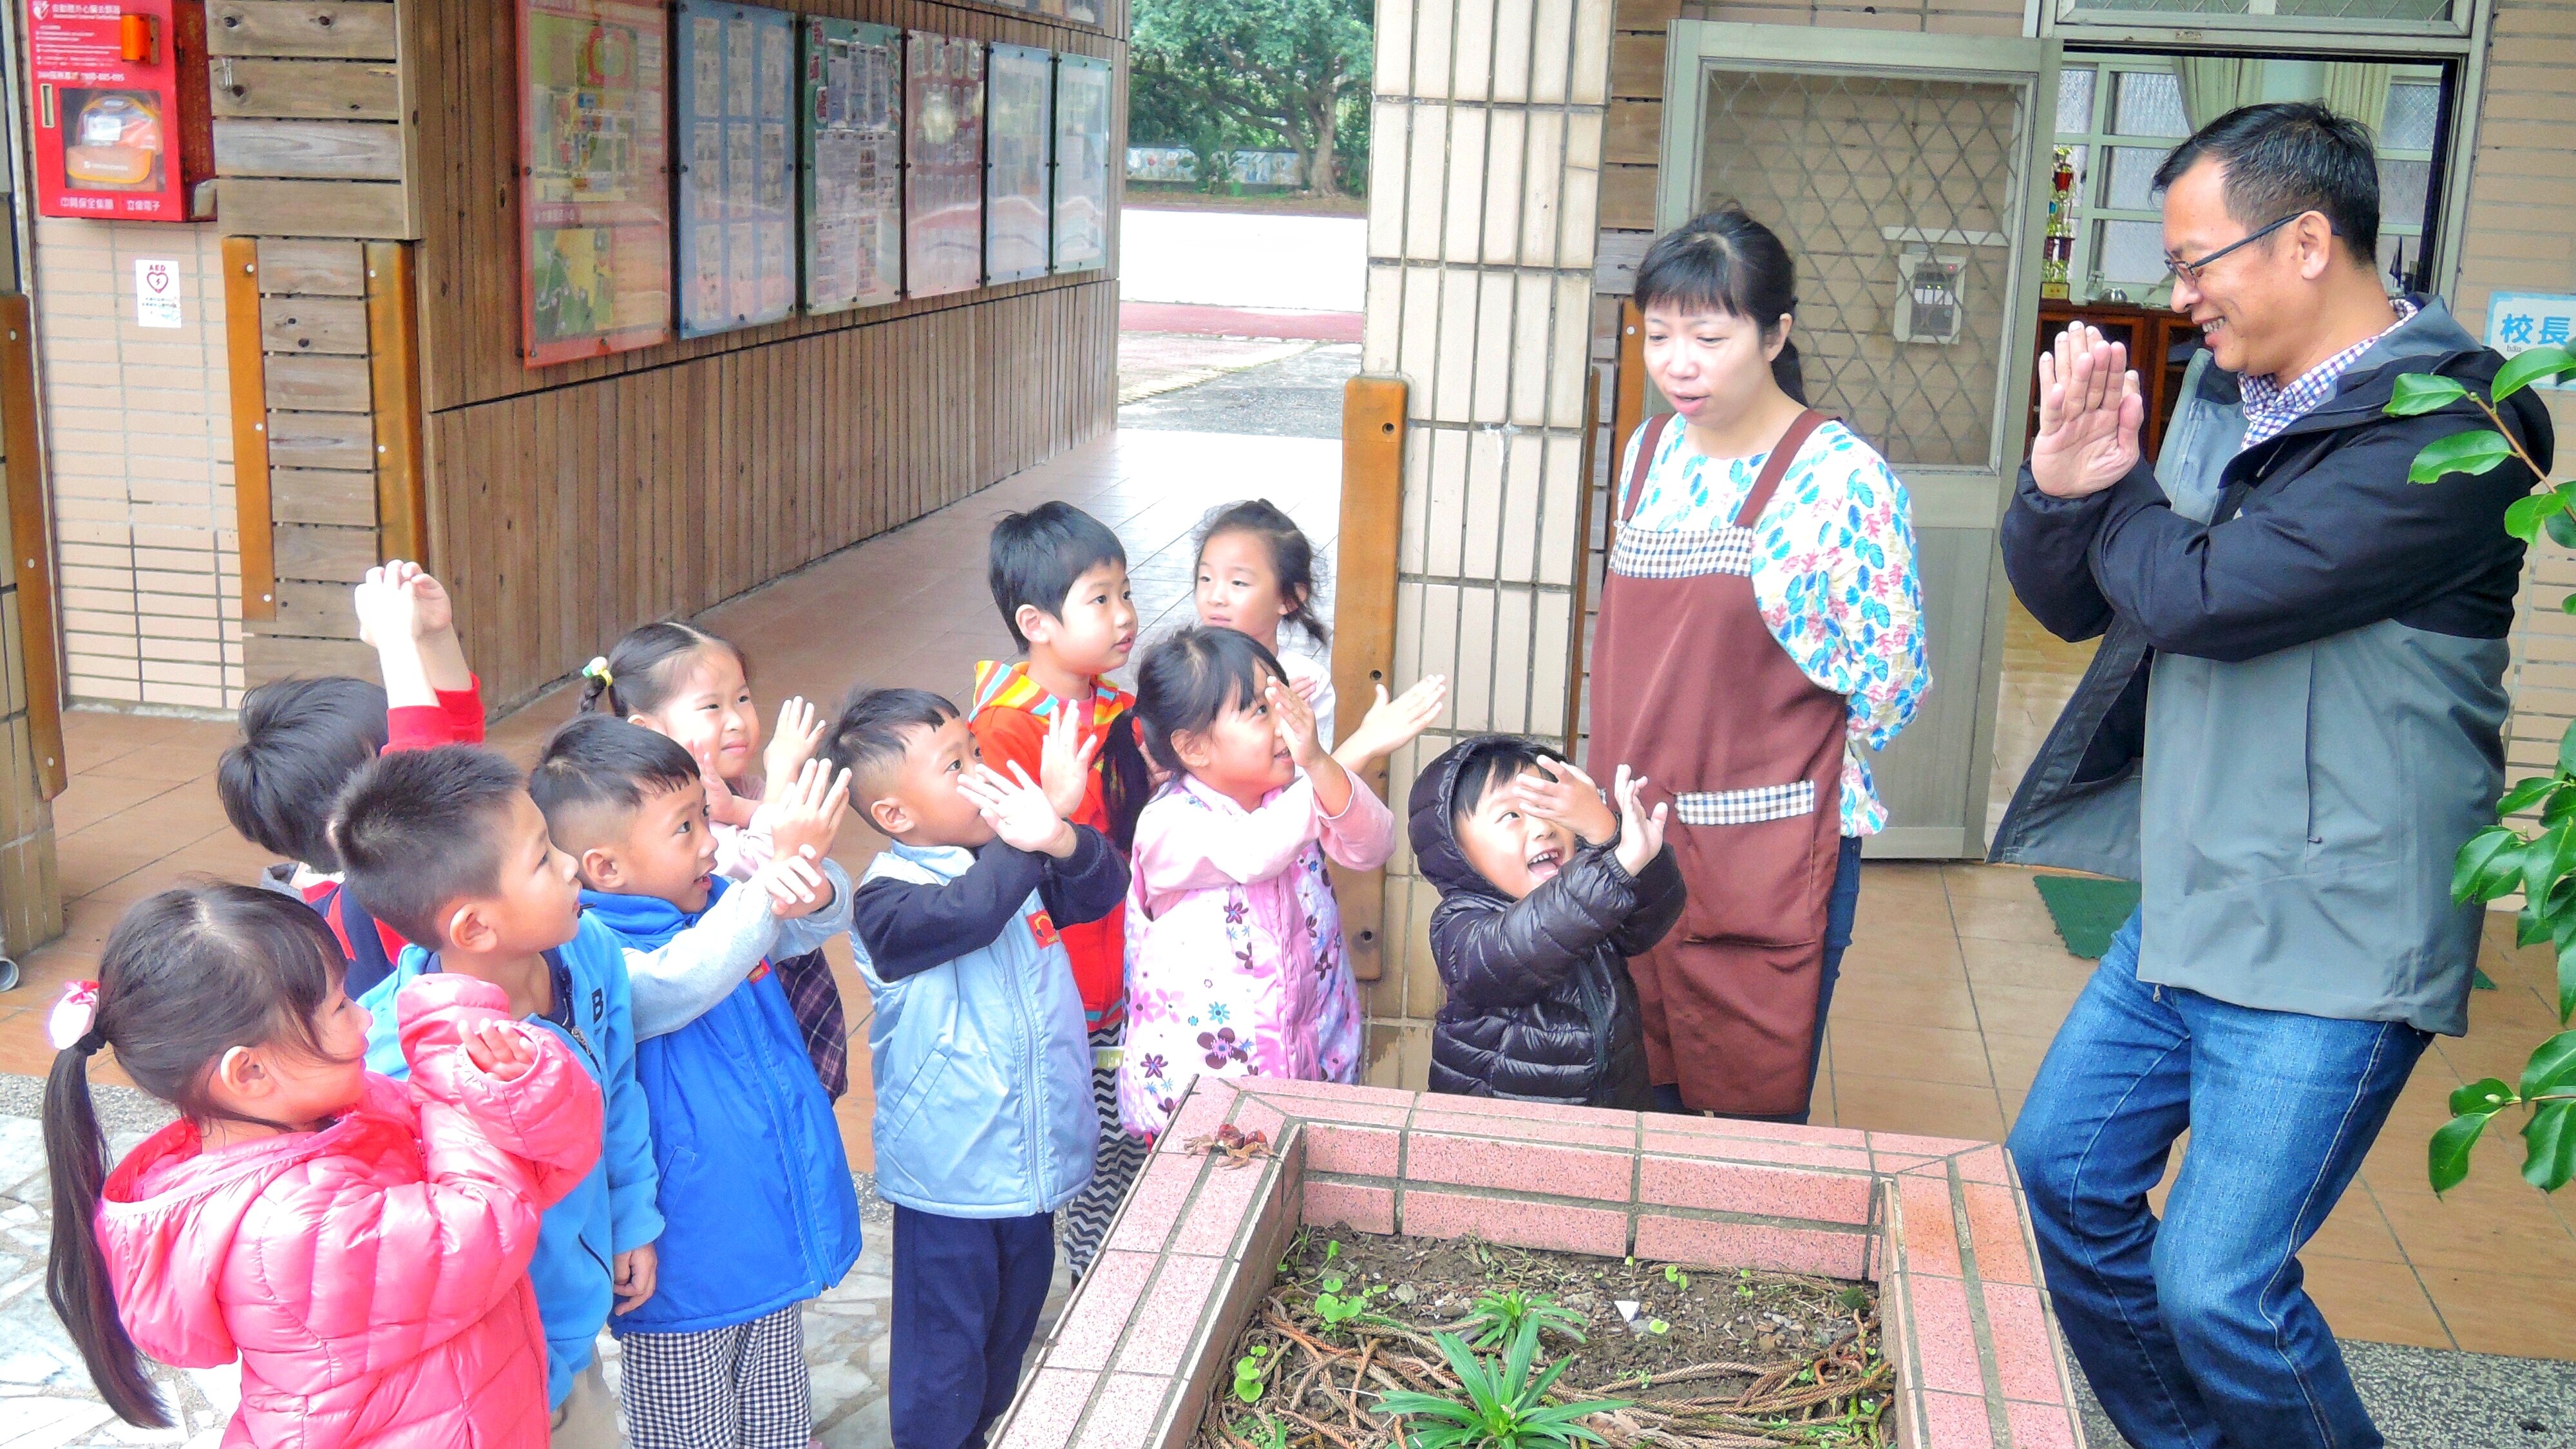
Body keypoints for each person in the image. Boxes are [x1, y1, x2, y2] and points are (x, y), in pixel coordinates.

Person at [1993, 102, 2553, 1449]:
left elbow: (2204, 597)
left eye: (2197, 263)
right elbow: (2083, 604)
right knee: (2059, 1181)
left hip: (2337, 937)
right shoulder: (2230, 398)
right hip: (2190, 909)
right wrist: (2060, 487)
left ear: (2306, 240)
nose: (2178, 298)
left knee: (2216, 1289)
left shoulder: (2456, 423)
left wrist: (2114, 494)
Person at [41, 884, 602, 1448]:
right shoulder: (282, 1228)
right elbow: (487, 1230)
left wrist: (513, 1083)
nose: (365, 1019)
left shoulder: (340, 1117)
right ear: (250, 1072)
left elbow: (535, 1172)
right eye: (339, 1006)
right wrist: (448, 1069)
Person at [1589, 205, 1929, 1124]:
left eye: (1709, 334)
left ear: (1777, 333)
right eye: (1657, 334)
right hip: (1638, 836)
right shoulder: (1646, 452)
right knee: (1634, 1091)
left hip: (1770, 851)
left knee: (1746, 1122)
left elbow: (1892, 678)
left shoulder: (1842, 478)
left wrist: (1771, 769)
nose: (1677, 362)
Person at [529, 715, 862, 1449]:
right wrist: (776, 874)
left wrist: (808, 878)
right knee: (689, 1432)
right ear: (605, 868)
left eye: (704, 816)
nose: (710, 840)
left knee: (778, 1410)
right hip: (684, 1247)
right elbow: (685, 979)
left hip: (763, 1218)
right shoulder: (596, 957)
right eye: (684, 828)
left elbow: (814, 916)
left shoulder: (715, 901)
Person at [335, 744, 661, 1449]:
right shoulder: (398, 1067)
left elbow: (620, 1083)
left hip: (574, 1332)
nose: (572, 864)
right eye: (544, 859)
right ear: (474, 927)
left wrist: (632, 1214)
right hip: (502, 1374)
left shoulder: (587, 946)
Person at [830, 688, 1128, 1449]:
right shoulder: (887, 900)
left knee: (1008, 1335)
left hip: (1027, 1166)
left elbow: (1101, 888)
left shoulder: (1010, 862)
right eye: (955, 765)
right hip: (949, 1176)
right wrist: (1031, 839)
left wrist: (1060, 835)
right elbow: (970, 912)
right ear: (895, 815)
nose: (981, 772)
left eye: (977, 752)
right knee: (943, 1358)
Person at [1116, 626, 1416, 1137]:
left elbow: (1374, 845)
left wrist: (1325, 768)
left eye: (1282, 702)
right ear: (1192, 747)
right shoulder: (1169, 822)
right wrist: (1352, 750)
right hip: (1202, 1102)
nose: (1283, 723)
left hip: (1307, 1061)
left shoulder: (1294, 796)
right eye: (1258, 711)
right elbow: (1253, 853)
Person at [972, 502, 1153, 1275]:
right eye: (1100, 599)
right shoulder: (1005, 728)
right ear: (1036, 623)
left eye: (1125, 593)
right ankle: (1090, 1298)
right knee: (1072, 1157)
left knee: (1116, 1155)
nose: (1124, 617)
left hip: (1122, 974)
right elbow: (1019, 869)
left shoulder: (1120, 712)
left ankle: (1100, 1281)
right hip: (1061, 988)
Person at [583, 620, 849, 1099]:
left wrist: (764, 808)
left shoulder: (743, 788)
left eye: (742, 699)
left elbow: (813, 880)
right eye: (712, 706)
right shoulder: (663, 831)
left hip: (782, 991)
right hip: (725, 1013)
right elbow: (751, 874)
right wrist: (784, 779)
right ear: (646, 729)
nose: (737, 720)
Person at [218, 560, 487, 996]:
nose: (417, 767)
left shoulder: (349, 879)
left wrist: (433, 638)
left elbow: (456, 757)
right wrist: (397, 642)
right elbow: (428, 791)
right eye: (391, 762)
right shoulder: (374, 899)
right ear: (345, 825)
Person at [1408, 737, 1683, 1108]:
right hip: (1499, 1140)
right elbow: (1522, 945)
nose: (1542, 828)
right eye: (1512, 816)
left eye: (1549, 808)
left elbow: (1654, 915)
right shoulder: (1460, 925)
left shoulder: (1595, 895)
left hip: (1610, 1122)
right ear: (1456, 851)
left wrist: (1608, 833)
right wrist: (1615, 869)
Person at [1193, 498, 1453, 768]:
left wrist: (1282, 716)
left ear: (1289, 599)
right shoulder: (1184, 664)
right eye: (1206, 578)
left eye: (1238, 582)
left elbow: (1311, 788)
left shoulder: (1307, 682)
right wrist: (1262, 707)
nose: (1215, 596)